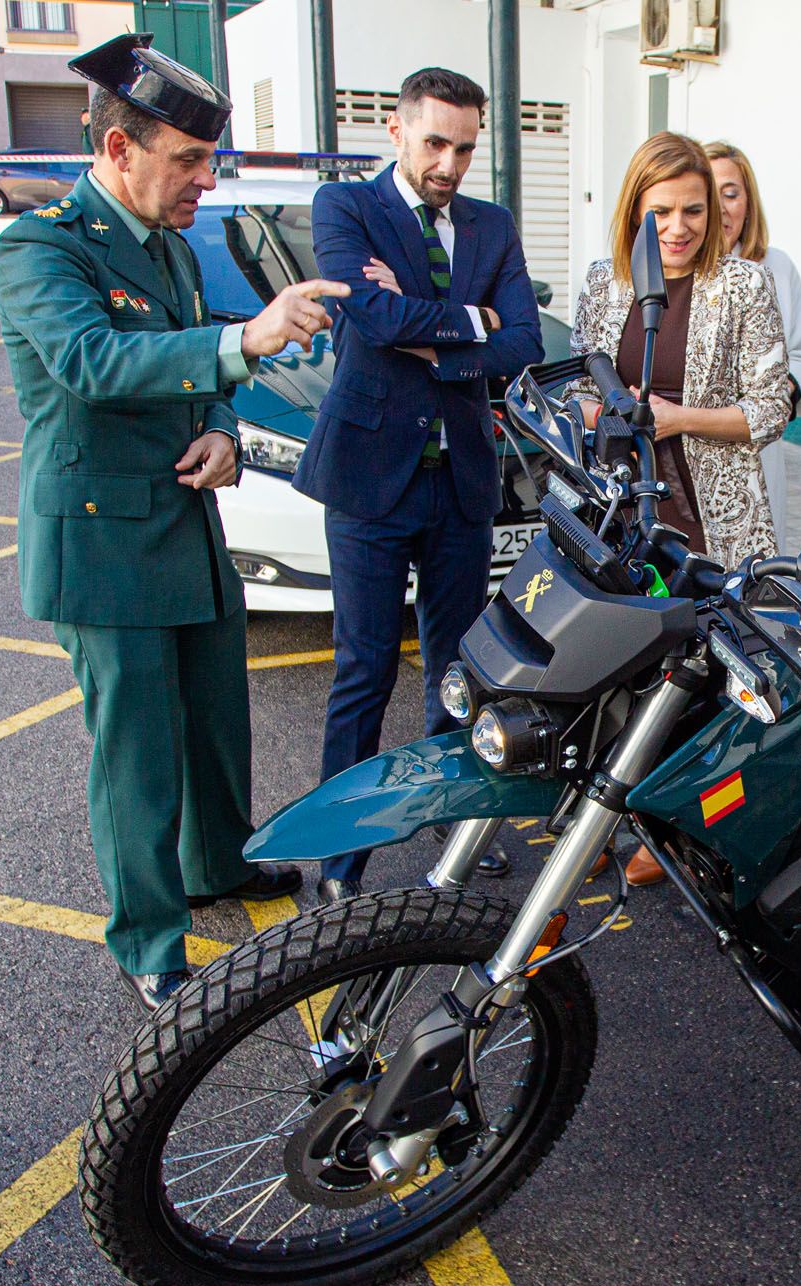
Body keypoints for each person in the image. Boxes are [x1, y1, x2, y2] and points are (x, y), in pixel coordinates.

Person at [0, 34, 341, 1010]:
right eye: (187, 160)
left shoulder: (172, 250)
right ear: (118, 152)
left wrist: (226, 432)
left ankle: (218, 868)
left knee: (213, 723)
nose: (203, 179)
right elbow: (95, 365)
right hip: (103, 547)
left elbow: (204, 389)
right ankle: (146, 935)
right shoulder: (41, 247)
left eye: (209, 160)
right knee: (137, 756)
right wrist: (246, 339)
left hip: (186, 527)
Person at [296, 67, 544, 908]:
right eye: (434, 142)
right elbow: (367, 317)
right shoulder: (346, 209)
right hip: (370, 478)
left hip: (461, 479)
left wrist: (438, 333)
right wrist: (473, 322)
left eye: (465, 147)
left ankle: (450, 819)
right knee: (363, 669)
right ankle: (342, 854)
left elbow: (525, 342)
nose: (449, 163)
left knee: (458, 666)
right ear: (397, 132)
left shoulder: (492, 224)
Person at [567, 132, 792, 890]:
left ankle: (686, 831)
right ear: (635, 210)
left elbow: (769, 410)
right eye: (660, 211)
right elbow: (578, 382)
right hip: (623, 511)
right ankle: (608, 812)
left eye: (694, 210)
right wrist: (599, 411)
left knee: (706, 674)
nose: (679, 227)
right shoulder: (606, 282)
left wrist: (676, 417)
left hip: (713, 514)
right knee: (619, 668)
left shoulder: (744, 285)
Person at [705, 141, 801, 545]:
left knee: (755, 568)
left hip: (755, 443)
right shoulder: (673, 269)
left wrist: (779, 390)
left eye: (731, 194)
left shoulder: (777, 267)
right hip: (692, 443)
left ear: (749, 203)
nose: (720, 208)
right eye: (709, 194)